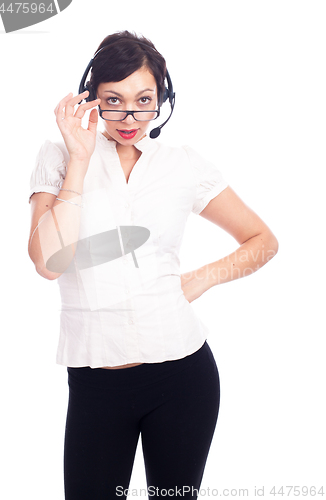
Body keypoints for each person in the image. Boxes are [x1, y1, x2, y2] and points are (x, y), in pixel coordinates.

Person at [28, 30, 278, 499]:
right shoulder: (60, 156)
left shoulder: (184, 164)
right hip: (95, 381)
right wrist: (79, 160)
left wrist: (197, 280)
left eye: (144, 99)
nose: (129, 116)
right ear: (92, 98)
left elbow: (262, 240)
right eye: (113, 100)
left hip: (182, 374)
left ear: (162, 98)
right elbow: (47, 263)